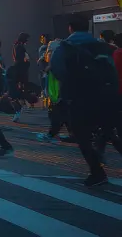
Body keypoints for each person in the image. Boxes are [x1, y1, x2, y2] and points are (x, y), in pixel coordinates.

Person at [50, 15, 120, 186]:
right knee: (110, 132)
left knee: (82, 136)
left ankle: (97, 172)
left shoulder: (65, 47)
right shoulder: (102, 46)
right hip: (105, 96)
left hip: (78, 97)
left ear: (70, 28)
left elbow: (57, 70)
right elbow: (113, 71)